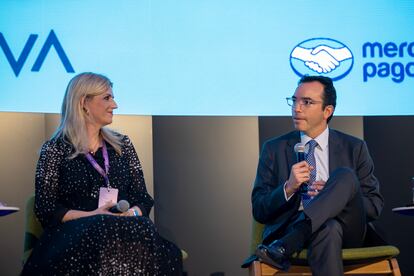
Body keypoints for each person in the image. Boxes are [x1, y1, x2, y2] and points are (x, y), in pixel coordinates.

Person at [22, 72, 183, 275]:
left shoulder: (123, 145)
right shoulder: (55, 150)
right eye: (107, 98)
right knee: (101, 228)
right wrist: (93, 216)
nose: (114, 105)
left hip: (124, 229)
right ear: (84, 103)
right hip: (74, 236)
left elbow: (143, 199)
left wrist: (130, 214)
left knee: (143, 229)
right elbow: (46, 209)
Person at [243, 75, 383, 275]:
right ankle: (299, 234)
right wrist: (288, 187)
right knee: (328, 228)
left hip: (349, 230)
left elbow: (374, 206)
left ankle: (288, 243)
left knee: (344, 176)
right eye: (294, 101)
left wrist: (335, 196)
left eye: (306, 102)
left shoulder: (354, 147)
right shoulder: (274, 149)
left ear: (327, 111)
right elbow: (259, 209)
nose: (296, 108)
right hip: (293, 226)